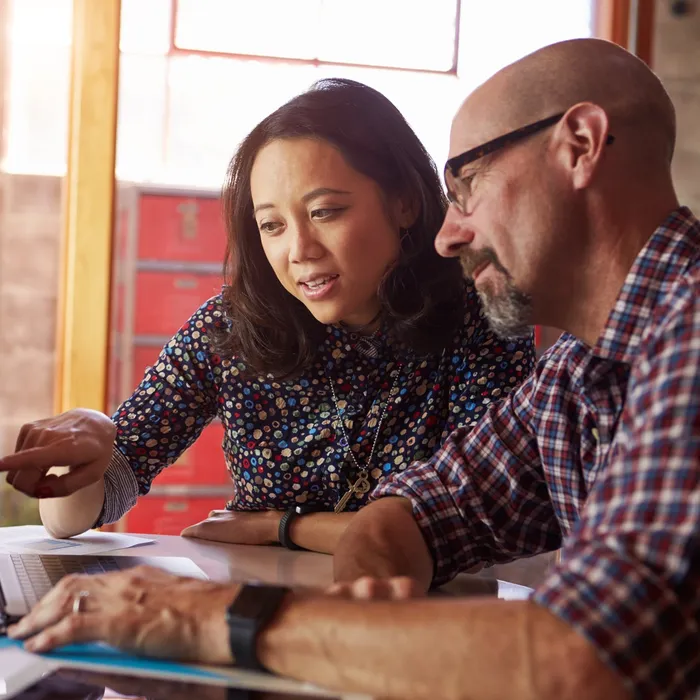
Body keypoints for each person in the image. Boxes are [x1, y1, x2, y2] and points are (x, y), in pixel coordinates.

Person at [8, 36, 697, 699]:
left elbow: (592, 658)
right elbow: (422, 512)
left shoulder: (684, 331)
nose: (451, 231)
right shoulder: (580, 366)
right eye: (272, 224)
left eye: (470, 183)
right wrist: (358, 623)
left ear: (579, 147)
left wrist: (211, 614)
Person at [0, 79, 534, 553]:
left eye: (325, 212)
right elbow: (81, 513)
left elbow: (476, 519)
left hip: (422, 626)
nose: (300, 249)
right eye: (272, 225)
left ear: (404, 203)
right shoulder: (232, 327)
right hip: (260, 617)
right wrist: (93, 441)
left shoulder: (477, 318)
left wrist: (282, 528)